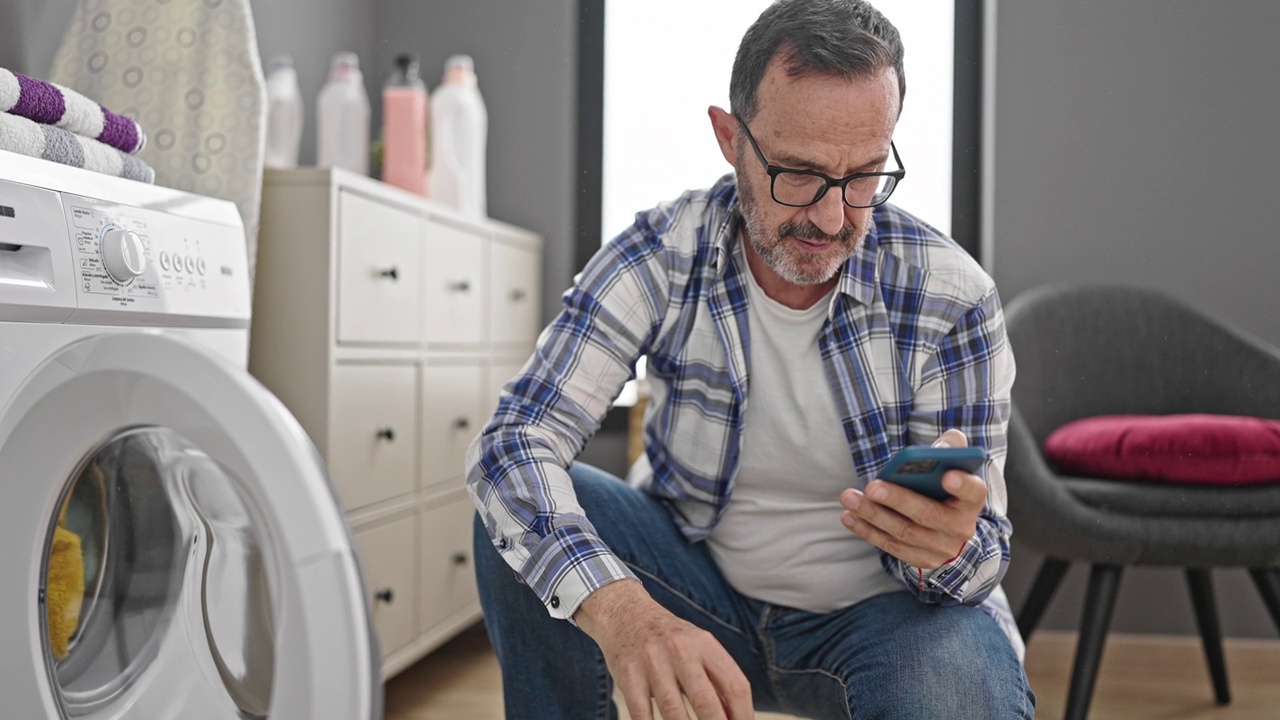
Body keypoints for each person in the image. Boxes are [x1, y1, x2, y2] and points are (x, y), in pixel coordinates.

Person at [467, 1, 1033, 718]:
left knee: (958, 688)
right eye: (797, 173)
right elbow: (513, 446)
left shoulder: (952, 297)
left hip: (884, 617)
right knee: (522, 513)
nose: (830, 219)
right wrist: (622, 612)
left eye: (863, 175)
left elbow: (981, 561)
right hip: (695, 584)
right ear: (730, 139)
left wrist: (948, 548)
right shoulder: (663, 253)